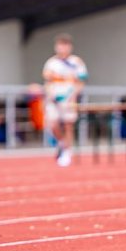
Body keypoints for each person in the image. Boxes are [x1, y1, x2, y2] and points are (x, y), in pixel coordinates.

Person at [43, 33, 87, 167]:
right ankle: (62, 143)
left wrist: (74, 95)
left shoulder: (76, 62)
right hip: (55, 98)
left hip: (69, 99)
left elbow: (81, 81)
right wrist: (51, 94)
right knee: (53, 123)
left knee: (68, 125)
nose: (63, 48)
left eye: (65, 45)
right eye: (60, 45)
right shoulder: (51, 63)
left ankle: (67, 152)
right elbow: (47, 80)